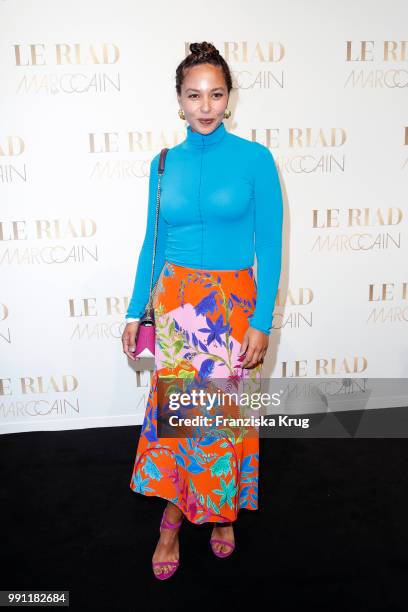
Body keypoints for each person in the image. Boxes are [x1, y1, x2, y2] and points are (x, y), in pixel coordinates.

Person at [121, 41, 283, 580]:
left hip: (233, 308)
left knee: (220, 418)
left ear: (230, 98)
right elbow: (153, 242)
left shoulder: (256, 160)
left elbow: (272, 245)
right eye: (194, 96)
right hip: (176, 306)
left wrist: (261, 321)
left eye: (216, 94)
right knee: (178, 417)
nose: (206, 106)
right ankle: (172, 513)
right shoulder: (164, 164)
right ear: (179, 101)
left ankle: (220, 511)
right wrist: (133, 310)